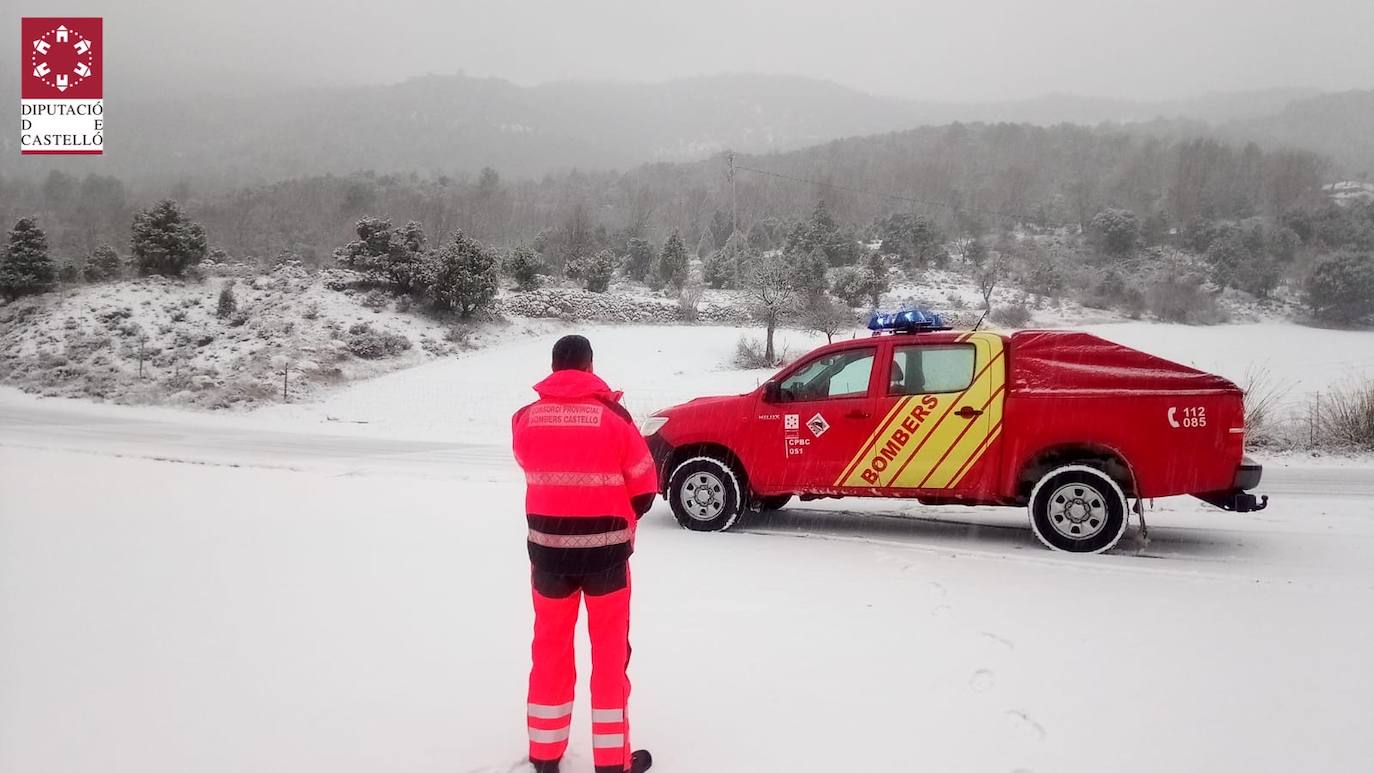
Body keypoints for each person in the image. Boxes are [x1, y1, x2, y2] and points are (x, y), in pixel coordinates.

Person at [511, 334, 657, 773]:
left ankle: (545, 755)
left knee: (550, 652)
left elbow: (531, 464)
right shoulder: (613, 417)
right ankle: (612, 763)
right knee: (610, 658)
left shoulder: (525, 418)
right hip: (607, 560)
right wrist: (619, 519)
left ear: (554, 368)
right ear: (590, 367)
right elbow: (645, 486)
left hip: (548, 558)